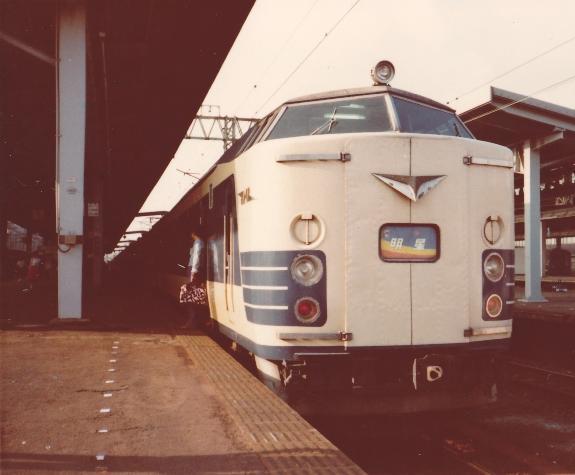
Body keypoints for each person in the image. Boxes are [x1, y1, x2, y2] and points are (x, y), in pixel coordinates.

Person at [179, 229, 207, 329]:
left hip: (194, 270)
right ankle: (194, 320)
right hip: (194, 269)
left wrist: (193, 271)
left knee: (191, 296)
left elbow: (196, 257)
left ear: (193, 233)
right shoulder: (199, 242)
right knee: (194, 296)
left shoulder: (198, 242)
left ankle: (192, 321)